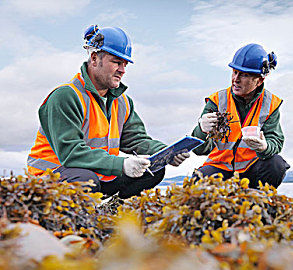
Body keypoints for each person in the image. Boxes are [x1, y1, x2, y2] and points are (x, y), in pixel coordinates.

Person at [27, 25, 189, 199]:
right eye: (116, 62)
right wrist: (121, 165)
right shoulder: (66, 96)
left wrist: (167, 152)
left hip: (98, 175)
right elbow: (71, 152)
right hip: (51, 176)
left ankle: (110, 208)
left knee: (152, 170)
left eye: (125, 64)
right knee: (86, 180)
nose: (122, 70)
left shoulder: (123, 102)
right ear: (95, 58)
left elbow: (136, 139)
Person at [191, 43, 290, 189]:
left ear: (259, 80)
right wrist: (201, 129)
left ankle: (258, 203)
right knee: (197, 182)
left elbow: (275, 141)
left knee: (276, 164)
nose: (236, 79)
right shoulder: (217, 101)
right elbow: (199, 150)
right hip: (220, 168)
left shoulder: (271, 104)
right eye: (235, 72)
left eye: (245, 75)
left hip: (252, 170)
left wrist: (264, 147)